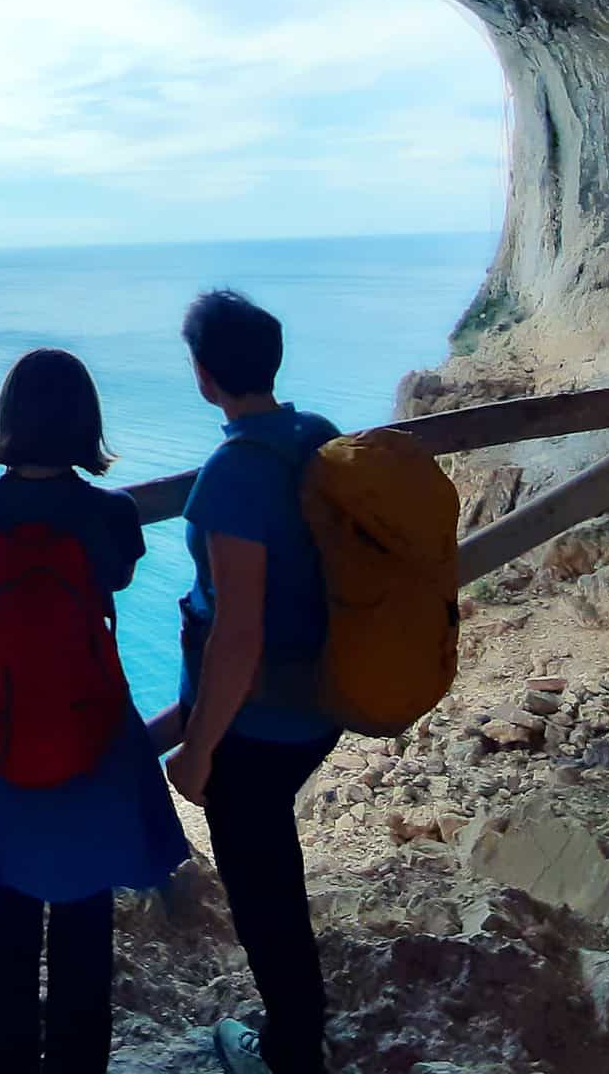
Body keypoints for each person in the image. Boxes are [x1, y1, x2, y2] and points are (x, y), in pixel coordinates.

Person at [0, 347, 189, 1074]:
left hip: (1, 733)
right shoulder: (111, 513)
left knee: (8, 931)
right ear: (86, 423)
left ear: (7, 421)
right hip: (92, 738)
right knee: (86, 928)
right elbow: (118, 575)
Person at [164, 289, 342, 1074]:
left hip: (258, 720)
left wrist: (197, 750)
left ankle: (290, 1050)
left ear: (204, 376)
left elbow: (237, 632)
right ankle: (300, 1026)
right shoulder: (319, 436)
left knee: (262, 889)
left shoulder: (232, 475)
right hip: (321, 695)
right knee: (275, 861)